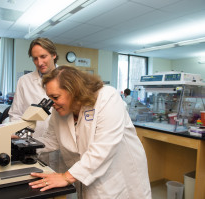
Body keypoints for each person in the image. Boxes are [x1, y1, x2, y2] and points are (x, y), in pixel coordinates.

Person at [29, 66, 151, 199]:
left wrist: (66, 177)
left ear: (74, 91)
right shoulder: (59, 112)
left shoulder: (106, 97)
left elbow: (104, 148)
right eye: (49, 98)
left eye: (55, 97)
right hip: (87, 178)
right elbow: (51, 139)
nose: (52, 103)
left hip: (118, 177)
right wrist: (24, 145)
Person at [8, 37, 66, 173]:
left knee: (62, 190)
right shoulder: (24, 81)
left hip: (63, 150)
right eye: (35, 58)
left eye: (43, 56)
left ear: (54, 55)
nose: (39, 62)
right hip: (34, 149)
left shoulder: (67, 77)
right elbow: (16, 114)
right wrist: (20, 138)